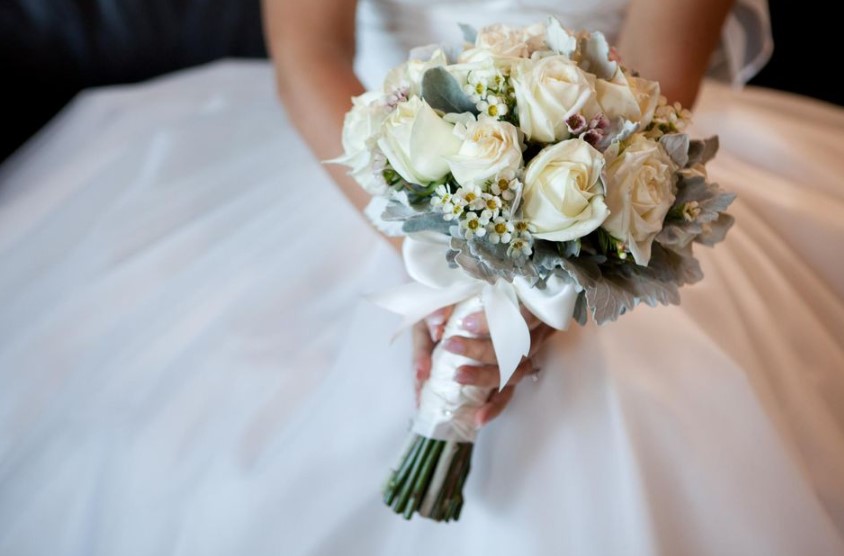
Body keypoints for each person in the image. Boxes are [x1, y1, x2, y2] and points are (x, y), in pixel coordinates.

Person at [0, 1, 842, 555]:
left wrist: (553, 274)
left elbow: (658, 86)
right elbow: (309, 59)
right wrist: (441, 255)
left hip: (622, 163)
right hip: (359, 155)